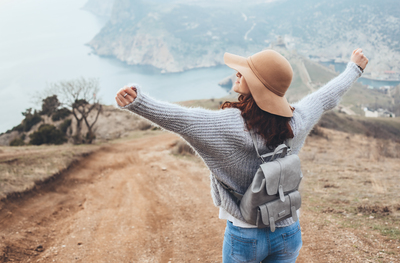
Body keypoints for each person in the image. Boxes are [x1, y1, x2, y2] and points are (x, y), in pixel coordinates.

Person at [115, 48, 368, 263]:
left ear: (258, 85)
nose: (237, 73)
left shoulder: (227, 125)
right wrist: (354, 69)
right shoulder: (297, 120)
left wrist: (138, 102)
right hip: (288, 230)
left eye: (245, 72)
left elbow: (180, 119)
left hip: (245, 236)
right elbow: (326, 97)